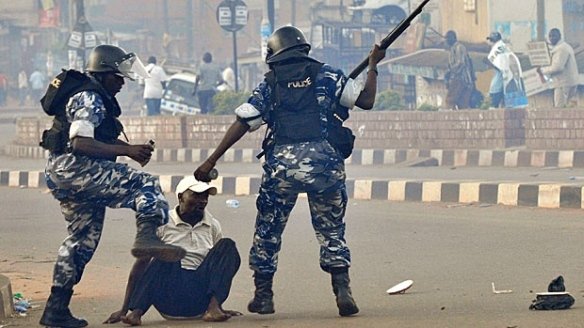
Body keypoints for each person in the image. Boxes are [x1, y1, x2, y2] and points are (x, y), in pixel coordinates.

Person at [194, 25, 386, 317]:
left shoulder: (270, 84)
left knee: (268, 230)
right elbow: (366, 101)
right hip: (325, 165)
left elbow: (243, 123)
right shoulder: (328, 74)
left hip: (282, 169)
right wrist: (373, 66)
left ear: (274, 53)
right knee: (332, 230)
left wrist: (211, 161)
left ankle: (264, 295)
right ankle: (342, 290)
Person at [38, 44, 186, 328]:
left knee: (81, 240)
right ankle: (147, 236)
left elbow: (97, 139)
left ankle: (56, 309)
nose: (122, 83)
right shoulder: (88, 97)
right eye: (118, 77)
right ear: (104, 73)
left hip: (65, 174)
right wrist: (128, 153)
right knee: (145, 184)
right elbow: (81, 142)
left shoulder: (94, 95)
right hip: (76, 169)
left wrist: (130, 148)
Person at [103, 176, 241, 326]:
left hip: (200, 297)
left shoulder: (213, 224)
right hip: (170, 297)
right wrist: (124, 309)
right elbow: (141, 266)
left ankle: (214, 308)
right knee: (165, 253)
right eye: (196, 195)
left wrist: (219, 300)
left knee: (227, 245)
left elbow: (219, 267)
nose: (202, 200)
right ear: (181, 197)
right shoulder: (162, 222)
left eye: (205, 196)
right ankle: (136, 312)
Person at [538, 28, 579, 108]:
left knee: (559, 109)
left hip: (563, 84)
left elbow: (558, 67)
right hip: (569, 82)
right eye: (550, 36)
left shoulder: (561, 48)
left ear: (559, 36)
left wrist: (542, 70)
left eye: (554, 36)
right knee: (568, 109)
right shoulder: (564, 47)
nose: (551, 38)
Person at [445, 30, 476, 110]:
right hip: (460, 80)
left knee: (450, 101)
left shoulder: (459, 47)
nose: (446, 40)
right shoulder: (452, 49)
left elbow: (460, 63)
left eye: (448, 38)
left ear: (454, 38)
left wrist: (451, 72)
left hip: (461, 79)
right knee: (461, 104)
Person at [484, 32, 505, 108]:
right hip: (505, 83)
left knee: (492, 107)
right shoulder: (503, 48)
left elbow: (500, 67)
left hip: (497, 85)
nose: (490, 43)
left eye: (491, 41)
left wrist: (489, 63)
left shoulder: (497, 50)